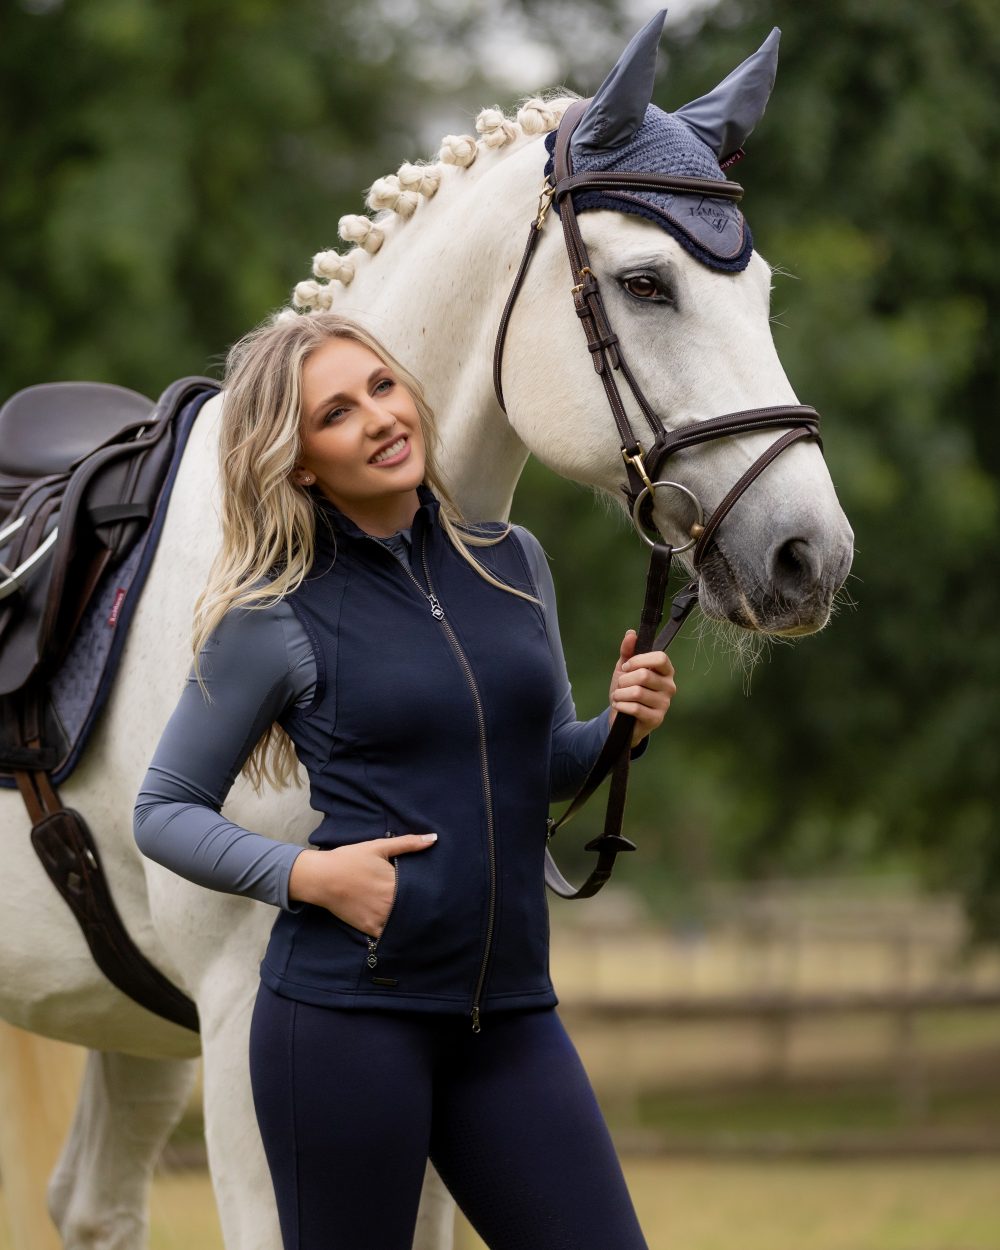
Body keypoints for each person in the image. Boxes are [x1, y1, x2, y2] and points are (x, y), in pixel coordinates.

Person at [133, 311, 677, 1250]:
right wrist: (306, 876)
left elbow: (541, 765)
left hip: (510, 1018)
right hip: (345, 1028)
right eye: (337, 413)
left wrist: (618, 730)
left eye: (383, 387)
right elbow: (162, 809)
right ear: (301, 461)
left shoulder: (512, 563)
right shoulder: (272, 615)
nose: (380, 419)